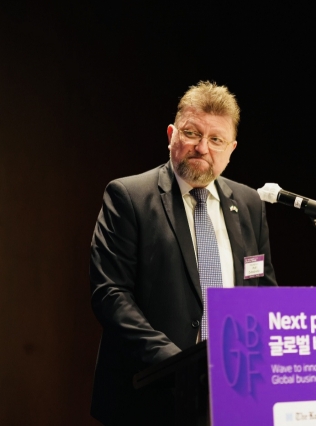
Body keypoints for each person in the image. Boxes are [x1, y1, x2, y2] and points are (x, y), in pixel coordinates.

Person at [89, 81, 277, 425]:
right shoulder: (129, 197)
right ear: (172, 134)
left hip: (230, 395)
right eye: (192, 133)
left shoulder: (249, 204)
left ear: (231, 149)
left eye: (216, 140)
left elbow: (261, 290)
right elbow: (110, 295)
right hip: (148, 395)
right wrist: (180, 366)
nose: (202, 147)